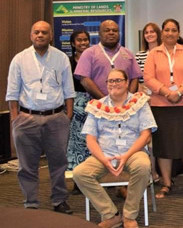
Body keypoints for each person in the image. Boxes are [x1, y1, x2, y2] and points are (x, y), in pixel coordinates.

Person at [73, 69, 156, 228]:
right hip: (104, 154)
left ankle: (129, 215)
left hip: (132, 152)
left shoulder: (140, 103)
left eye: (118, 80)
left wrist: (126, 155)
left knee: (143, 166)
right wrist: (103, 159)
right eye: (110, 81)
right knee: (79, 173)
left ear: (126, 83)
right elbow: (90, 139)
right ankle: (111, 215)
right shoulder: (97, 106)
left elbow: (145, 135)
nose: (114, 84)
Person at [6, 21, 75, 213]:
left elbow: (69, 90)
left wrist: (67, 116)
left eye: (44, 32)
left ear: (50, 36)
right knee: (27, 165)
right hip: (27, 119)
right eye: (36, 32)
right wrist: (15, 120)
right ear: (31, 35)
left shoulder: (61, 58)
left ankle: (59, 200)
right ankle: (31, 203)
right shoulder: (19, 59)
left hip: (56, 118)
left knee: (59, 163)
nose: (40, 35)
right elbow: (12, 93)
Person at [143, 19, 183, 198]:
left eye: (173, 30)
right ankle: (166, 183)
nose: (170, 33)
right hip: (161, 105)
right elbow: (148, 77)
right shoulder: (154, 53)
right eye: (167, 30)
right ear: (162, 33)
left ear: (178, 32)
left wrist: (181, 91)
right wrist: (167, 92)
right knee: (164, 145)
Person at [74, 20, 141, 99]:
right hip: (98, 105)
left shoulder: (128, 54)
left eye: (115, 30)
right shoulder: (89, 53)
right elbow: (85, 80)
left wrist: (128, 99)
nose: (111, 33)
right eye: (107, 30)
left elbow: (134, 78)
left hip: (125, 107)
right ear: (99, 34)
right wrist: (105, 101)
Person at [67, 31, 92, 173]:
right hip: (75, 106)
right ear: (72, 43)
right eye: (79, 40)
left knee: (94, 141)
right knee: (77, 142)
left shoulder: (95, 59)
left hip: (95, 103)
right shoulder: (68, 62)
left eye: (86, 40)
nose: (83, 43)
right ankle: (77, 177)